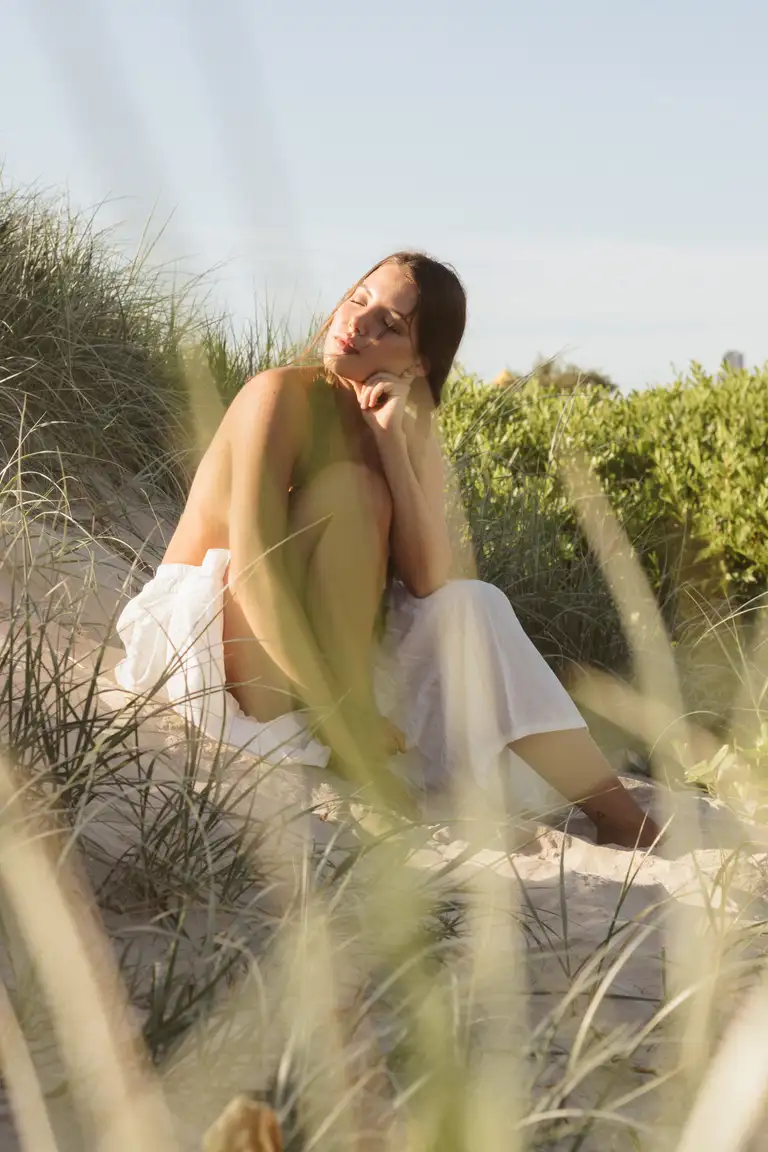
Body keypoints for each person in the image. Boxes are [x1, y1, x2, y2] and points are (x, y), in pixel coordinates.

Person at [115, 251, 660, 848]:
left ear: (419, 362)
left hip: (334, 663)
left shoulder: (402, 424)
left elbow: (430, 582)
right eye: (359, 298)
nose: (359, 322)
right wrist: (340, 712)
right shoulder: (278, 395)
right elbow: (254, 564)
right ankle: (349, 741)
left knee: (472, 602)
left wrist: (392, 446)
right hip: (223, 645)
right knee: (352, 492)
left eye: (391, 325)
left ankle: (617, 816)